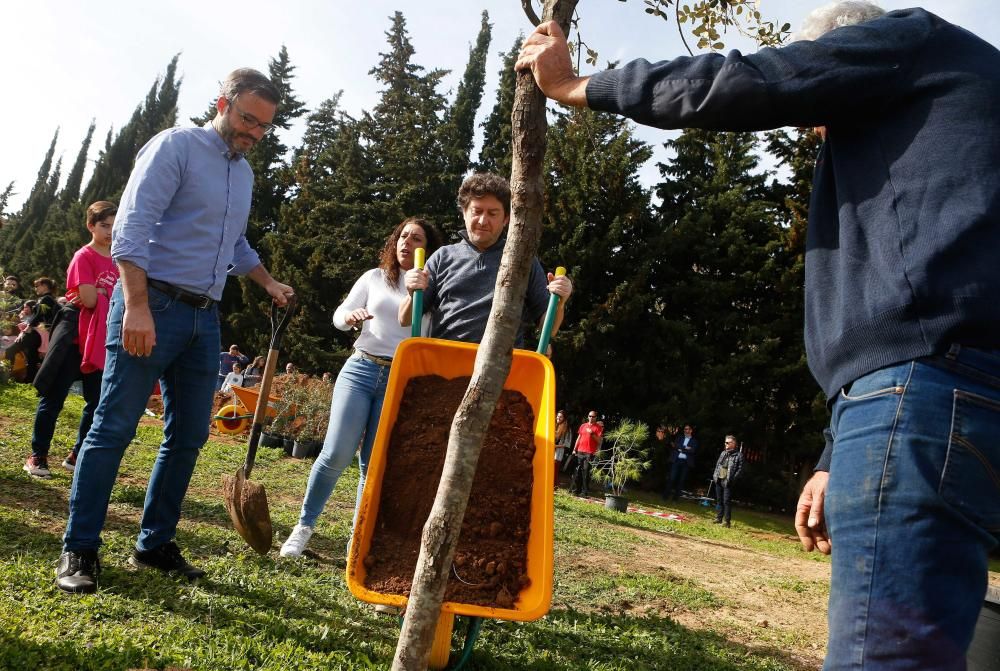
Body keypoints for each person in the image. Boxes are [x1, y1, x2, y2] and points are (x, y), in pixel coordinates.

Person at [517, 3, 1000, 667]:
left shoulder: (906, 41)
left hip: (915, 405)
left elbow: (757, 80)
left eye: (819, 103)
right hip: (951, 407)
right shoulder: (949, 116)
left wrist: (580, 86)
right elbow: (926, 302)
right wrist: (837, 452)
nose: (811, 127)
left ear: (844, 50)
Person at [55, 68, 294, 595]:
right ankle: (79, 548)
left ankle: (154, 542)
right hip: (151, 305)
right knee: (112, 429)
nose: (253, 133)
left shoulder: (244, 175)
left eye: (263, 127)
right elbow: (132, 229)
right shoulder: (175, 147)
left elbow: (234, 245)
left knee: (188, 436)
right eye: (247, 119)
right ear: (222, 103)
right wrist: (136, 307)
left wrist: (268, 280)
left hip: (203, 317)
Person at [280, 217, 443, 558]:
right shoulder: (374, 277)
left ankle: (359, 539)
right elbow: (339, 316)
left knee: (373, 463)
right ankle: (303, 527)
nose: (406, 243)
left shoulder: (433, 290)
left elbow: (430, 338)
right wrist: (350, 317)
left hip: (399, 378)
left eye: (416, 239)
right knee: (336, 452)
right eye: (402, 236)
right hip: (361, 368)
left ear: (428, 250)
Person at [398, 172, 572, 347]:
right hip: (445, 361)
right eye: (477, 211)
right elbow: (404, 319)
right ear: (464, 213)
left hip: (499, 368)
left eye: (492, 213)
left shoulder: (523, 262)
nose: (483, 220)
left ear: (506, 219)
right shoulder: (442, 257)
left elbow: (548, 329)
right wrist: (412, 293)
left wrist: (560, 302)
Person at [23, 201, 119, 478]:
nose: (110, 232)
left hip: (102, 340)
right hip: (75, 339)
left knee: (96, 402)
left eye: (115, 225)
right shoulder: (84, 257)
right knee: (54, 399)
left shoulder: (119, 257)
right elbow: (88, 299)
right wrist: (101, 295)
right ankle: (37, 455)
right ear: (91, 226)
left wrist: (102, 293)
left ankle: (77, 454)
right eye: (104, 225)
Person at [711, 435, 744, 528]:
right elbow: (718, 465)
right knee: (719, 500)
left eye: (728, 442)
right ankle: (718, 518)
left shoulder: (739, 455)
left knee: (726, 501)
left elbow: (740, 469)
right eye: (725, 442)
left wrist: (733, 479)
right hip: (719, 479)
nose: (726, 444)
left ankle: (727, 522)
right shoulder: (723, 453)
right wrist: (715, 476)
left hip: (728, 481)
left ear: (733, 444)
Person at [569, 410, 602, 496]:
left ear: (596, 417)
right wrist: (574, 449)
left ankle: (584, 491)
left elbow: (599, 441)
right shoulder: (583, 426)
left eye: (593, 416)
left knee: (586, 472)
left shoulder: (598, 427)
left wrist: (592, 434)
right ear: (588, 416)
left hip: (590, 452)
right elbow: (578, 438)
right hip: (580, 451)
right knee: (578, 471)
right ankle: (577, 490)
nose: (591, 418)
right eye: (590, 416)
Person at [665, 424, 698, 501]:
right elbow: (675, 445)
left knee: (681, 480)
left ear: (691, 430)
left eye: (687, 429)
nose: (686, 431)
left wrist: (681, 448)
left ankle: (675, 499)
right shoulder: (679, 437)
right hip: (676, 461)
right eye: (685, 429)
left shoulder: (694, 441)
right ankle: (665, 496)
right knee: (672, 478)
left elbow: (692, 451)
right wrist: (686, 448)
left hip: (686, 463)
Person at [553, 409, 572, 487]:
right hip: (549, 450)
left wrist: (555, 446)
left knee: (555, 469)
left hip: (558, 452)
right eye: (558, 416)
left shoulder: (567, 429)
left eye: (560, 417)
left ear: (564, 418)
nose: (558, 418)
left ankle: (554, 486)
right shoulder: (553, 425)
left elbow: (567, 444)